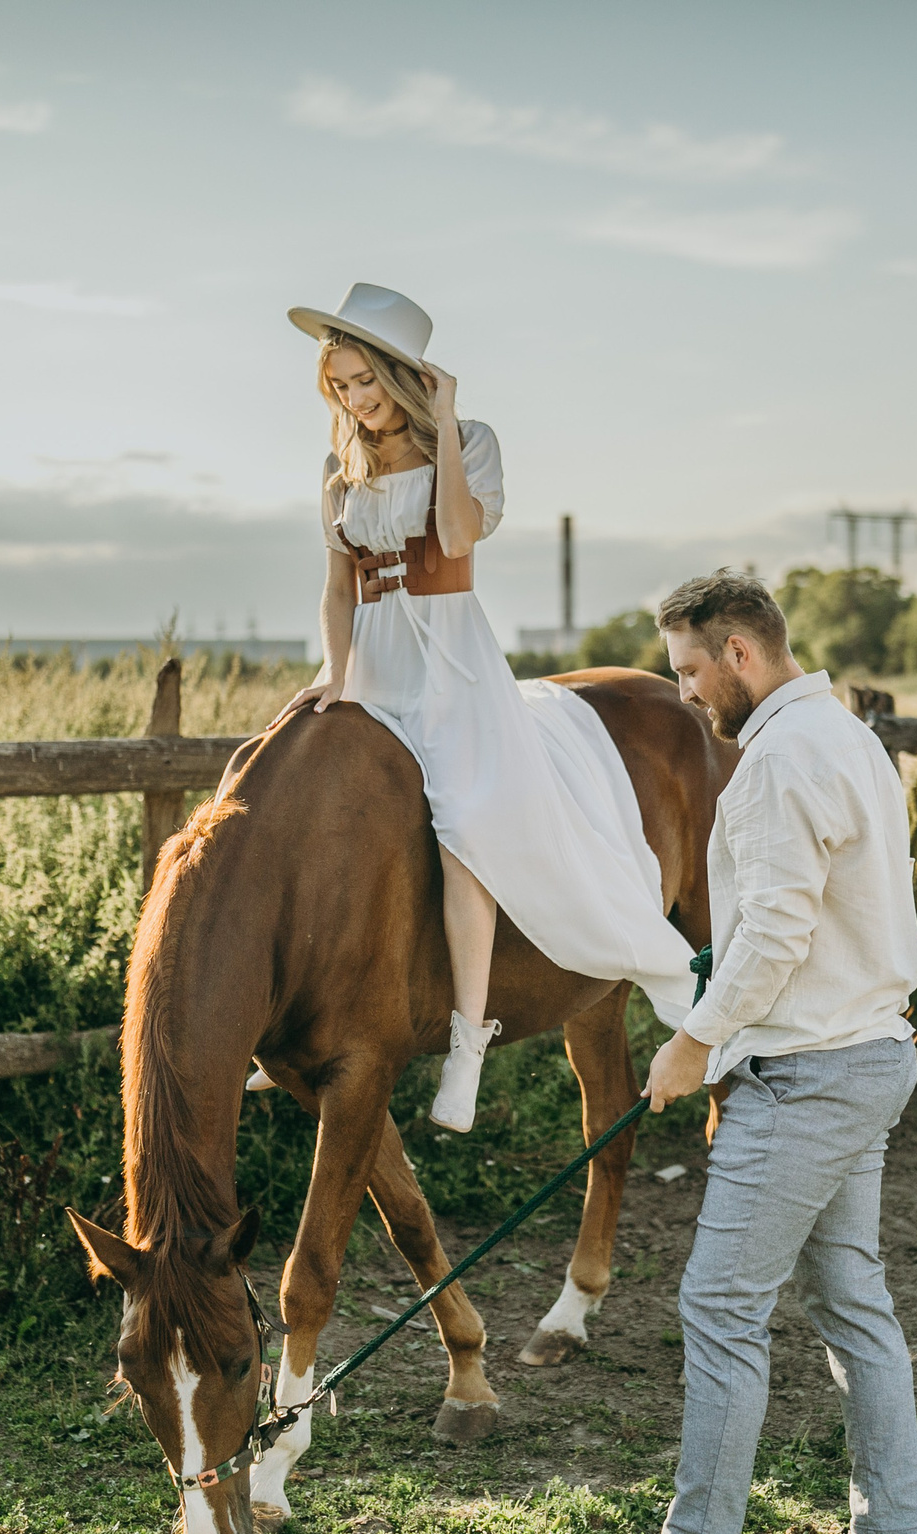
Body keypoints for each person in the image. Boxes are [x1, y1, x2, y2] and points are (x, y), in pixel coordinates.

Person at [555, 572, 917, 1534]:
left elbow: (771, 933)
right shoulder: (845, 735)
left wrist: (692, 1041)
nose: (681, 695)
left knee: (719, 1307)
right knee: (851, 1295)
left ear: (738, 652)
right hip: (864, 1049)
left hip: (808, 1073)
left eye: (686, 671)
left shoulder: (776, 761)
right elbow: (802, 916)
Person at [272, 283, 700, 1129]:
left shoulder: (469, 443)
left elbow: (459, 537)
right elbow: (336, 589)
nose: (356, 400)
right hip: (378, 661)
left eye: (366, 381)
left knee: (466, 835)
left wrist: (449, 416)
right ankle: (297, 1013)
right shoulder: (338, 471)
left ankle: (467, 1041)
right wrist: (336, 672)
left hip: (452, 663)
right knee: (313, 803)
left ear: (401, 375)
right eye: (341, 386)